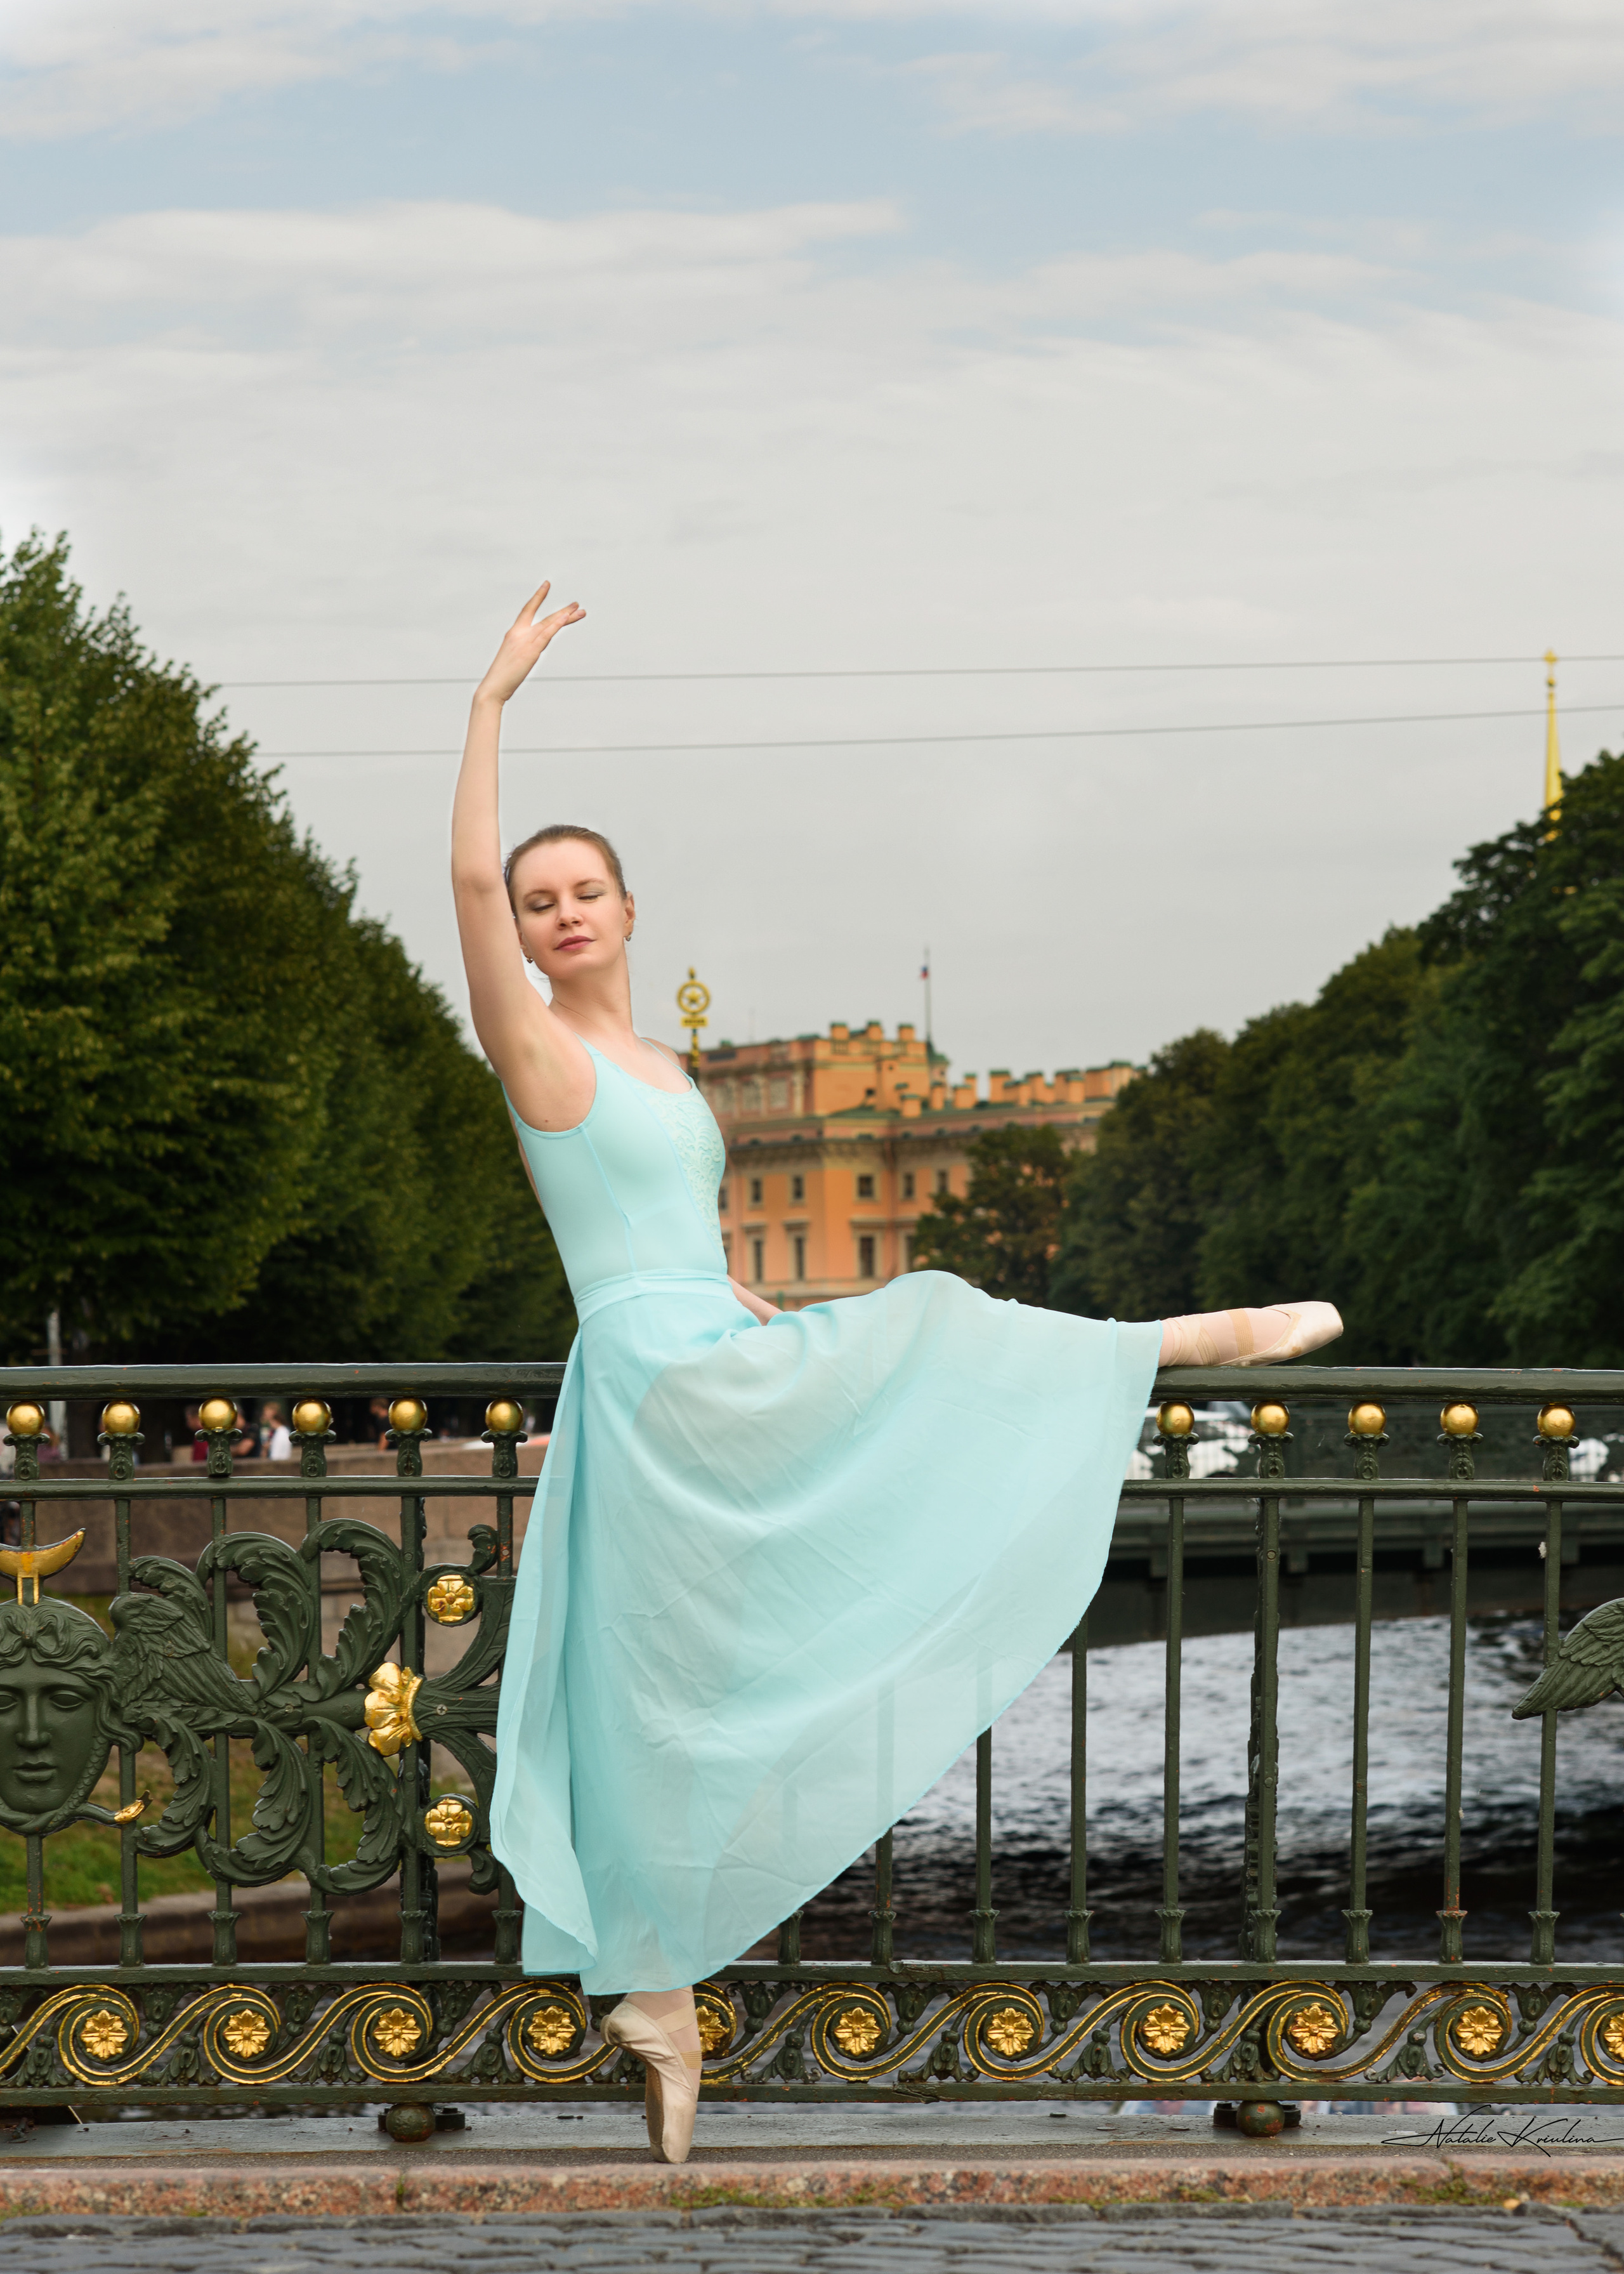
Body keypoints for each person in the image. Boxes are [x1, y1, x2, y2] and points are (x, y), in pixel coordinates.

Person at [457, 583, 1341, 2165]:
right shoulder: (536, 1053)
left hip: (698, 1343)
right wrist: (491, 704)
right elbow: (464, 877)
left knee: (678, 1685)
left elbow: (665, 1212)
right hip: (656, 1386)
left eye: (586, 891)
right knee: (927, 1319)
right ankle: (1176, 1344)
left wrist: (731, 1284)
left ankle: (652, 1997)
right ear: (518, 932)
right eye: (539, 901)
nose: (561, 913)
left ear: (632, 912)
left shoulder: (665, 1071)